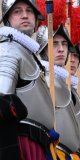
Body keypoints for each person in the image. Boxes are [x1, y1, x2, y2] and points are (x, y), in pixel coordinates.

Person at [0, 0, 56, 159]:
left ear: (36, 18)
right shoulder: (8, 48)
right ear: (8, 18)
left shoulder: (28, 53)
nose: (25, 15)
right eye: (17, 11)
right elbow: (2, 101)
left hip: (37, 141)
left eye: (29, 11)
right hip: (22, 140)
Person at [36, 24, 80, 159]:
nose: (61, 49)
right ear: (44, 49)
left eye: (64, 44)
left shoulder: (68, 85)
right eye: (54, 44)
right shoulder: (40, 79)